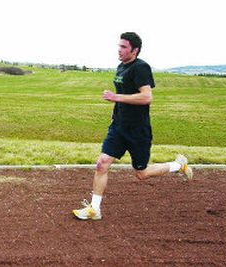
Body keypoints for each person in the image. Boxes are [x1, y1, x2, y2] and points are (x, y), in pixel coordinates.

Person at [72, 32, 193, 221]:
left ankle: (178, 165)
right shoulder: (121, 67)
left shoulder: (141, 68)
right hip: (119, 127)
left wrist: (115, 97)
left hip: (138, 131)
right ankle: (94, 209)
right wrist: (114, 117)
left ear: (134, 50)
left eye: (123, 47)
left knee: (141, 173)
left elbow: (147, 97)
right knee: (101, 163)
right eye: (118, 46)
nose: (119, 50)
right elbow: (123, 96)